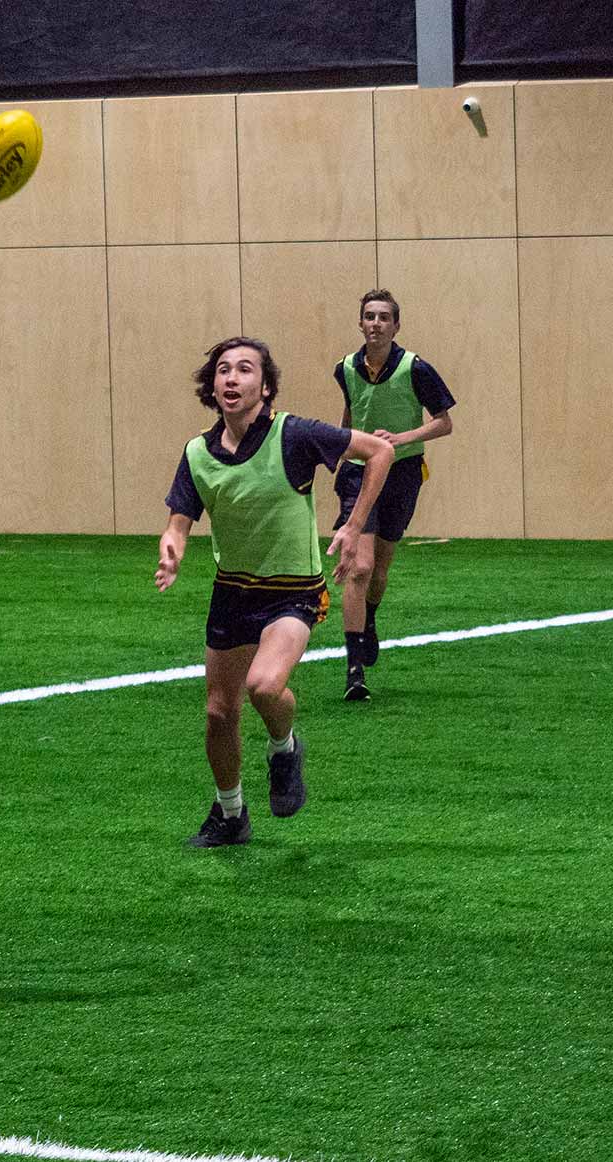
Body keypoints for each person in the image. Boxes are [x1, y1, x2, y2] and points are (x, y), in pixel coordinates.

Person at [155, 337, 392, 848]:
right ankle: (231, 814)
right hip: (232, 591)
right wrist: (172, 544)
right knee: (219, 712)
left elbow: (380, 451)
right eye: (223, 370)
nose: (232, 378)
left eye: (245, 369)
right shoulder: (198, 451)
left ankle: (284, 748)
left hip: (292, 592)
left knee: (264, 686)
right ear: (212, 385)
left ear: (265, 386)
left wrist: (353, 525)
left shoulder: (293, 434)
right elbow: (179, 520)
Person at [332, 290, 455, 701]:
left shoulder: (415, 368)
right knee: (360, 566)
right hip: (358, 473)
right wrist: (339, 449)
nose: (376, 324)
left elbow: (444, 423)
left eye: (385, 317)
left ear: (396, 325)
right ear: (360, 323)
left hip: (402, 471)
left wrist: (402, 438)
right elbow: (351, 415)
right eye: (369, 316)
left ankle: (369, 618)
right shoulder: (346, 368)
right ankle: (353, 670)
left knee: (381, 566)